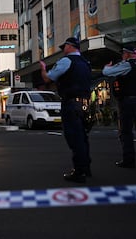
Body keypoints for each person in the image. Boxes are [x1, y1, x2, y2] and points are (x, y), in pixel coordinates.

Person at [40, 37, 92, 183]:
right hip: (85, 103)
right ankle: (86, 168)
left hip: (71, 103)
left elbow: (48, 79)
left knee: (74, 138)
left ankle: (79, 171)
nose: (63, 50)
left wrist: (43, 69)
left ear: (70, 46)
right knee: (83, 137)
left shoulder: (66, 61)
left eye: (65, 47)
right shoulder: (86, 63)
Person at [102, 45, 136, 168]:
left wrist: (108, 66)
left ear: (127, 54)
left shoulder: (127, 65)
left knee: (126, 131)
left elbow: (106, 72)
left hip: (129, 101)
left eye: (123, 54)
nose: (122, 56)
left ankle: (129, 160)